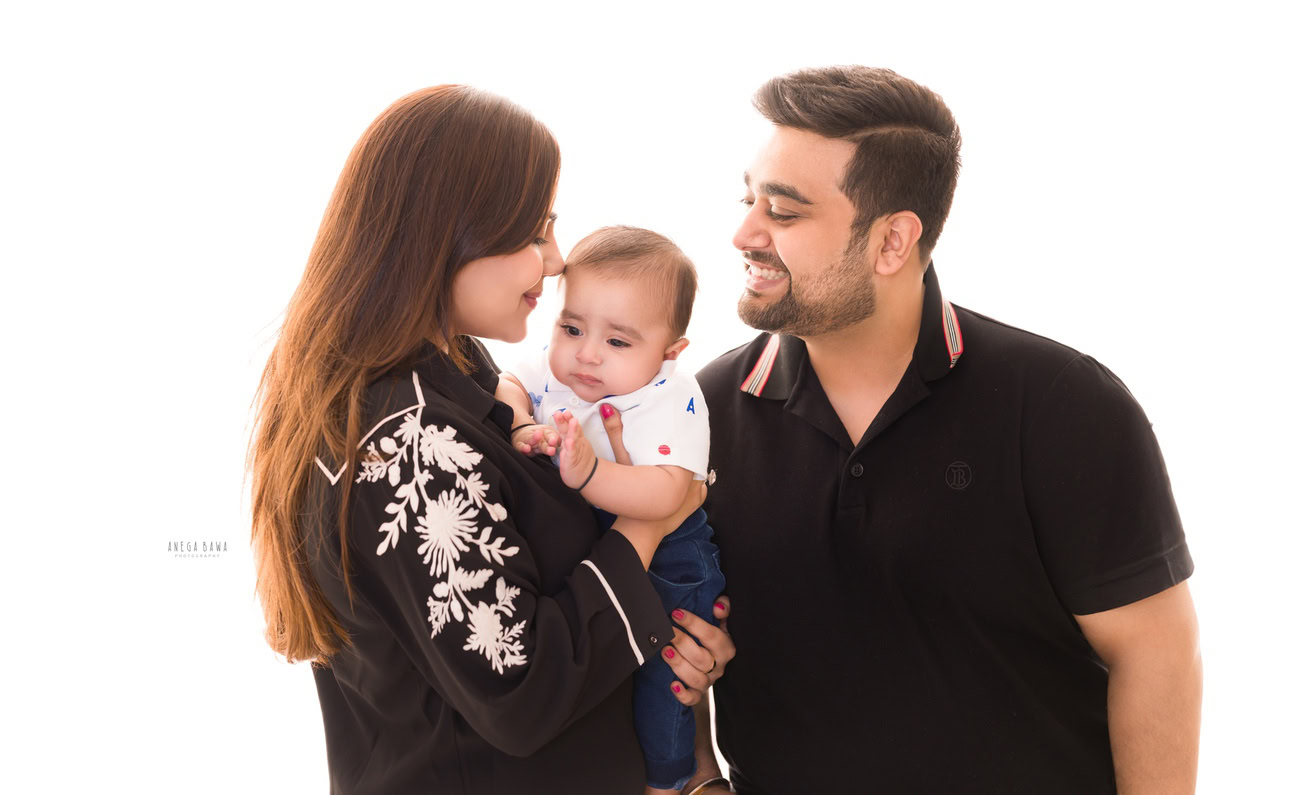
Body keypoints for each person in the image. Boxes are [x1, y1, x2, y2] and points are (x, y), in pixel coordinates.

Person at [685, 66, 1201, 794]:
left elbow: (1154, 655)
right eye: (749, 199)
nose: (744, 232)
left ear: (892, 241)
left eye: (785, 212)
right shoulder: (698, 415)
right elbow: (664, 638)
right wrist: (701, 782)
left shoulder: (1062, 405)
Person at [247, 85, 734, 794]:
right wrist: (646, 523)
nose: (558, 259)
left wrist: (671, 644)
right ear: (445, 236)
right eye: (534, 233)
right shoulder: (403, 441)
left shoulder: (458, 370)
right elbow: (520, 691)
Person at [495, 226, 725, 793]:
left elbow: (670, 496)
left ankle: (669, 781)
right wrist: (521, 422)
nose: (587, 353)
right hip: (605, 547)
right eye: (571, 328)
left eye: (618, 342)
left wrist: (594, 473)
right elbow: (508, 380)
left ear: (670, 353)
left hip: (671, 560)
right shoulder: (561, 369)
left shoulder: (673, 397)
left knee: (663, 679)